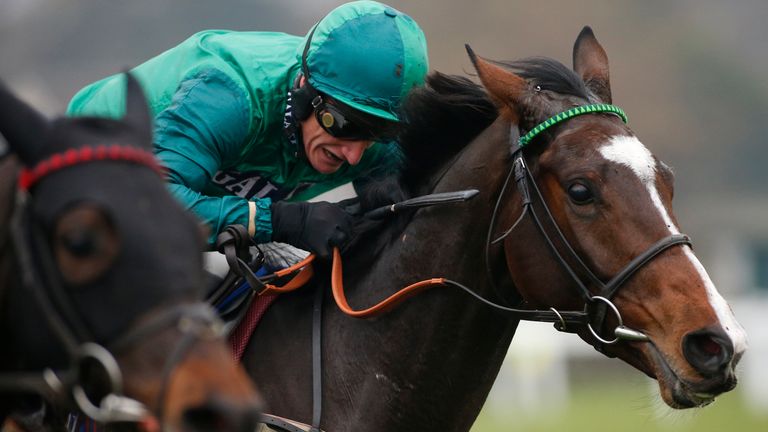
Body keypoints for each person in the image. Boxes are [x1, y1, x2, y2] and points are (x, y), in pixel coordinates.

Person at [66, 1, 428, 260]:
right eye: (344, 125)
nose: (355, 154)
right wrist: (284, 220)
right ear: (304, 89)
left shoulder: (373, 135)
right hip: (92, 177)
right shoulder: (229, 98)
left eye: (378, 133)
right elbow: (151, 205)